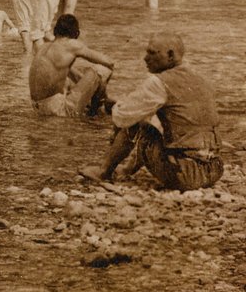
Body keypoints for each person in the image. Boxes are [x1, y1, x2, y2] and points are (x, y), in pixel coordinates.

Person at [80, 31, 223, 192]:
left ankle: (103, 170)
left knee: (140, 124)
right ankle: (126, 169)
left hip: (186, 175)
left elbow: (122, 118)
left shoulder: (159, 82)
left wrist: (117, 105)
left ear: (170, 55)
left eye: (152, 53)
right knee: (153, 120)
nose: (145, 58)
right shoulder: (200, 78)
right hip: (214, 169)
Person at [28, 14, 115, 117]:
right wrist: (101, 91)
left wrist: (89, 84)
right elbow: (110, 62)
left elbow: (70, 72)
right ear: (76, 33)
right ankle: (94, 114)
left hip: (38, 108)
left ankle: (100, 103)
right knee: (102, 69)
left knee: (71, 74)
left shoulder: (44, 47)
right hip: (57, 110)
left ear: (55, 31)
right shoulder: (72, 44)